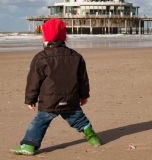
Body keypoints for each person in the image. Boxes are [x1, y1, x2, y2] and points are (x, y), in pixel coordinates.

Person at [10, 18, 101, 155]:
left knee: (39, 122)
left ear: (45, 38)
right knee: (79, 119)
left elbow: (34, 81)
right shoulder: (76, 56)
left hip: (49, 101)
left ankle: (28, 146)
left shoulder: (41, 57)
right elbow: (83, 79)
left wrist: (30, 99)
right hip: (71, 99)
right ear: (64, 36)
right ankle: (93, 139)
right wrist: (84, 95)